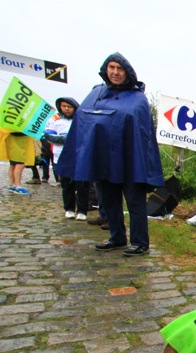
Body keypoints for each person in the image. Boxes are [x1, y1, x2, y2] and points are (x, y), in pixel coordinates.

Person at [56, 52, 163, 256]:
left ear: (127, 72)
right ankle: (117, 237)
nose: (115, 72)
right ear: (105, 70)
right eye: (111, 68)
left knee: (135, 202)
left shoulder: (137, 98)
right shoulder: (96, 94)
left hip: (130, 159)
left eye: (119, 68)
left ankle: (140, 242)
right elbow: (83, 121)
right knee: (108, 201)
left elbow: (143, 133)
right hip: (102, 158)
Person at [44, 97, 90, 221]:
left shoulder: (81, 119)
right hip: (62, 156)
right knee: (67, 184)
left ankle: (82, 210)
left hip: (79, 157)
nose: (66, 109)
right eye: (64, 106)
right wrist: (69, 140)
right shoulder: (55, 119)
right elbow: (49, 136)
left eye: (69, 107)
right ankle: (69, 209)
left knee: (82, 185)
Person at [1, 130, 34, 195]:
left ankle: (12, 184)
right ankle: (18, 186)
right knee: (20, 164)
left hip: (11, 141)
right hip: (19, 143)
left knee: (13, 164)